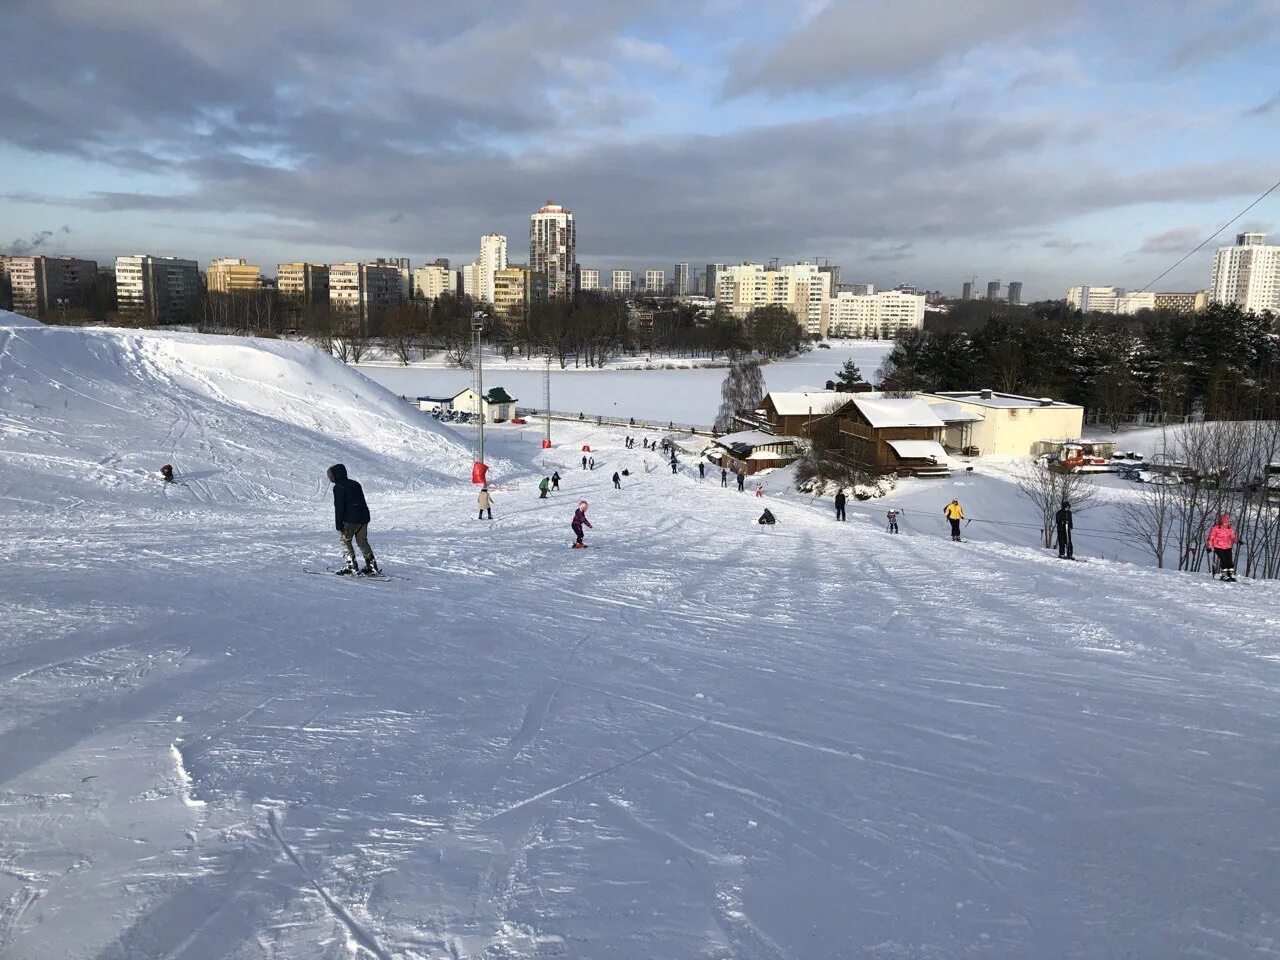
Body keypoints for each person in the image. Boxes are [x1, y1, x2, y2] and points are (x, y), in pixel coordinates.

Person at [327, 463, 379, 575]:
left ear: (335, 475)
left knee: (345, 541)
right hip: (363, 518)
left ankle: (351, 566)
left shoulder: (339, 487)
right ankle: (371, 566)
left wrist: (339, 525)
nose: (330, 478)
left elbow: (339, 507)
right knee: (362, 542)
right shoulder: (355, 484)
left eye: (330, 475)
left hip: (351, 520)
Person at [1207, 513, 1241, 581]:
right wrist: (1209, 547)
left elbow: (1232, 537)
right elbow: (1211, 537)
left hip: (1227, 547)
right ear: (1221, 522)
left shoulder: (1230, 529)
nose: (1225, 525)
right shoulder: (1216, 528)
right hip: (1218, 547)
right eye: (1224, 523)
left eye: (1226, 523)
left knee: (1230, 561)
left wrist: (1237, 540)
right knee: (1224, 561)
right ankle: (1224, 575)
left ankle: (1230, 574)